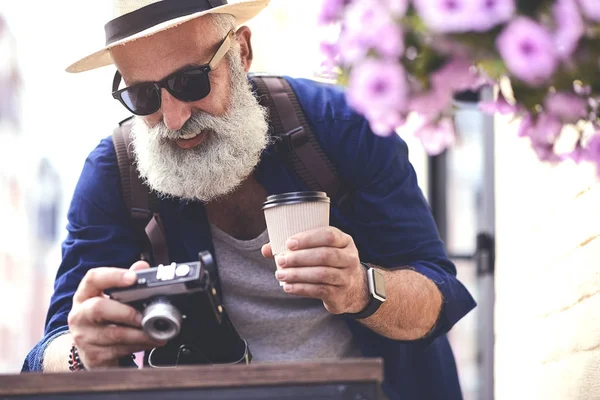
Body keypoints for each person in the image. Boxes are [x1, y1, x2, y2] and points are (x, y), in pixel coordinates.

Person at [22, 1, 476, 399]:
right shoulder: (114, 172)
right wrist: (83, 351)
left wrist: (359, 288)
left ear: (240, 51)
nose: (175, 119)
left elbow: (439, 298)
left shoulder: (342, 125)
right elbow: (48, 354)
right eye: (143, 96)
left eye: (191, 81)